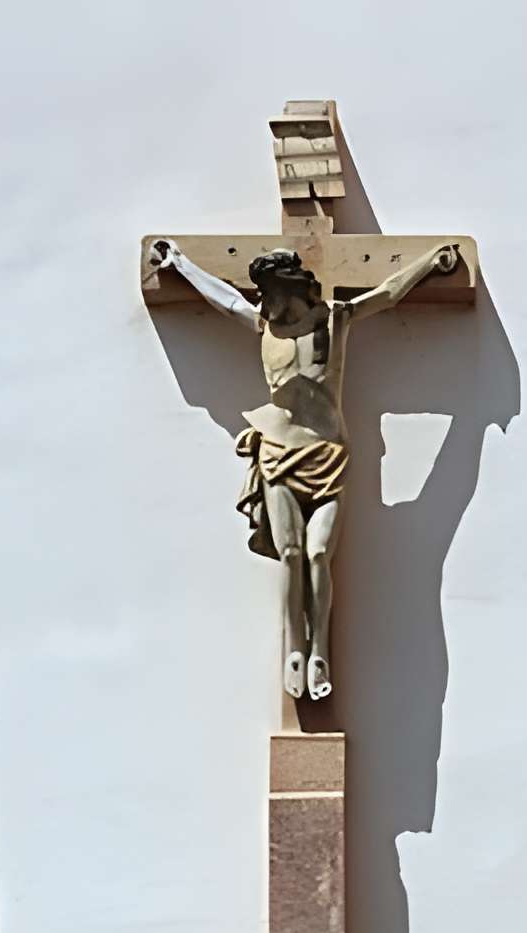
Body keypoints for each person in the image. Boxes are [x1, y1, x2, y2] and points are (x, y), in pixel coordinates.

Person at [149, 236, 460, 700]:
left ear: (290, 289)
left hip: (328, 454)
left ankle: (320, 650)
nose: (264, 304)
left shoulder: (336, 321)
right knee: (290, 554)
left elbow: (389, 292)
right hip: (277, 451)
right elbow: (224, 299)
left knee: (318, 554)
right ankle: (296, 649)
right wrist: (181, 264)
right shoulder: (263, 328)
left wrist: (429, 265)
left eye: (270, 294)